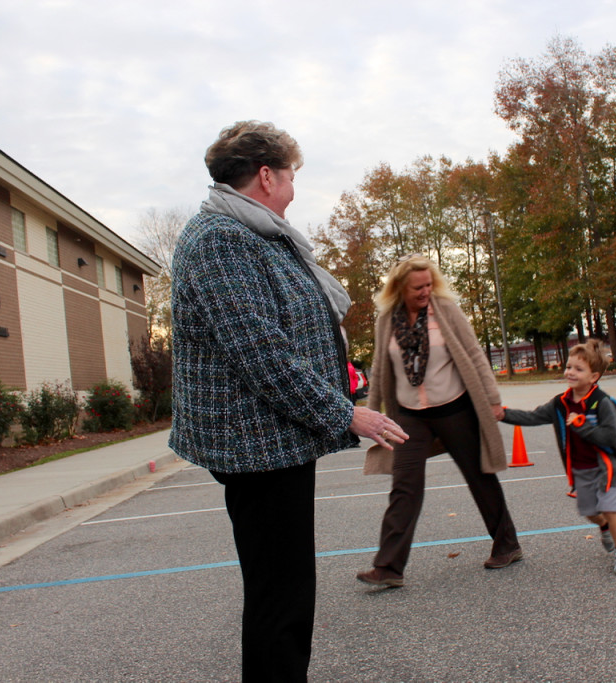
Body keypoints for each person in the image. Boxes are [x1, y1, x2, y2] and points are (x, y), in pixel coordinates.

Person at [169, 120, 407, 681]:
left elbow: (285, 335)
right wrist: (345, 412)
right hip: (255, 445)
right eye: (292, 175)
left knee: (284, 591)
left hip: (272, 439)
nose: (295, 189)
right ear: (267, 174)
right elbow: (261, 352)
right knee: (282, 598)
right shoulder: (220, 240)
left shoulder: (251, 234)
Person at [356, 254, 522, 588]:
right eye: (418, 287)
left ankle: (507, 544)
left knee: (479, 476)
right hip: (409, 415)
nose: (425, 291)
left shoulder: (445, 310)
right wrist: (375, 416)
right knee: (404, 487)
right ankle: (389, 568)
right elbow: (379, 364)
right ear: (401, 287)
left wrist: (492, 400)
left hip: (454, 407)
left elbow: (474, 352)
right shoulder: (387, 318)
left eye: (429, 284)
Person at [501, 339, 616, 575]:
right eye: (569, 366)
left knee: (611, 509)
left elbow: (611, 436)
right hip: (581, 469)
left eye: (578, 369)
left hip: (606, 468)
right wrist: (502, 414)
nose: (571, 372)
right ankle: (603, 526)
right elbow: (533, 417)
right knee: (589, 511)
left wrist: (581, 426)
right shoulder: (561, 404)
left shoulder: (602, 403)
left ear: (593, 377)